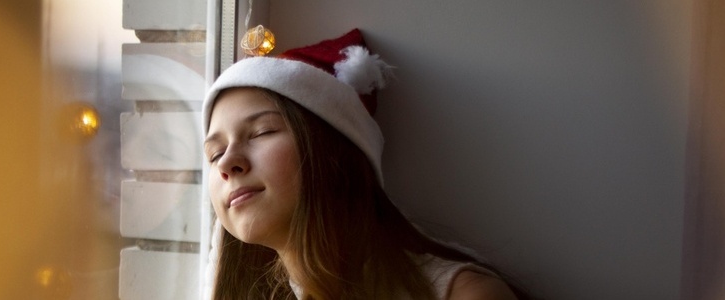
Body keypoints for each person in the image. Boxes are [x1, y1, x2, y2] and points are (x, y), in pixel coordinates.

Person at [202, 29, 527, 300]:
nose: (227, 163)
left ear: (332, 152)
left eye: (262, 132)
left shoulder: (465, 295)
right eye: (214, 153)